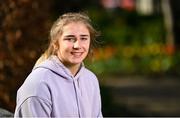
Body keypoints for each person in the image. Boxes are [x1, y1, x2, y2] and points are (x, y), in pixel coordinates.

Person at [14, 12, 103, 117]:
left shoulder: (90, 79)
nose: (77, 45)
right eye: (69, 39)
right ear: (55, 44)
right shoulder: (39, 84)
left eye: (83, 38)